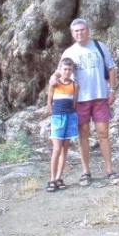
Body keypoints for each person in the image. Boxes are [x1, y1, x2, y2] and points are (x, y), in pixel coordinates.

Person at [50, 18, 117, 186]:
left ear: (87, 30)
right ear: (72, 34)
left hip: (100, 96)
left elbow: (112, 68)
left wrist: (112, 90)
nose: (79, 33)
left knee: (103, 133)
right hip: (79, 100)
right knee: (83, 135)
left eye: (82, 30)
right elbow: (59, 73)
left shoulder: (100, 47)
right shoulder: (69, 52)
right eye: (76, 31)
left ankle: (110, 170)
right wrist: (52, 79)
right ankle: (86, 171)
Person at [46, 57, 79, 192]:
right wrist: (53, 113)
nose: (67, 72)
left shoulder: (74, 85)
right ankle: (52, 179)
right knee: (57, 149)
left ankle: (59, 177)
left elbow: (74, 103)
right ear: (60, 69)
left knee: (65, 149)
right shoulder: (54, 83)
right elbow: (49, 101)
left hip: (70, 117)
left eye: (70, 70)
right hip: (57, 117)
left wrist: (71, 114)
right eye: (65, 69)